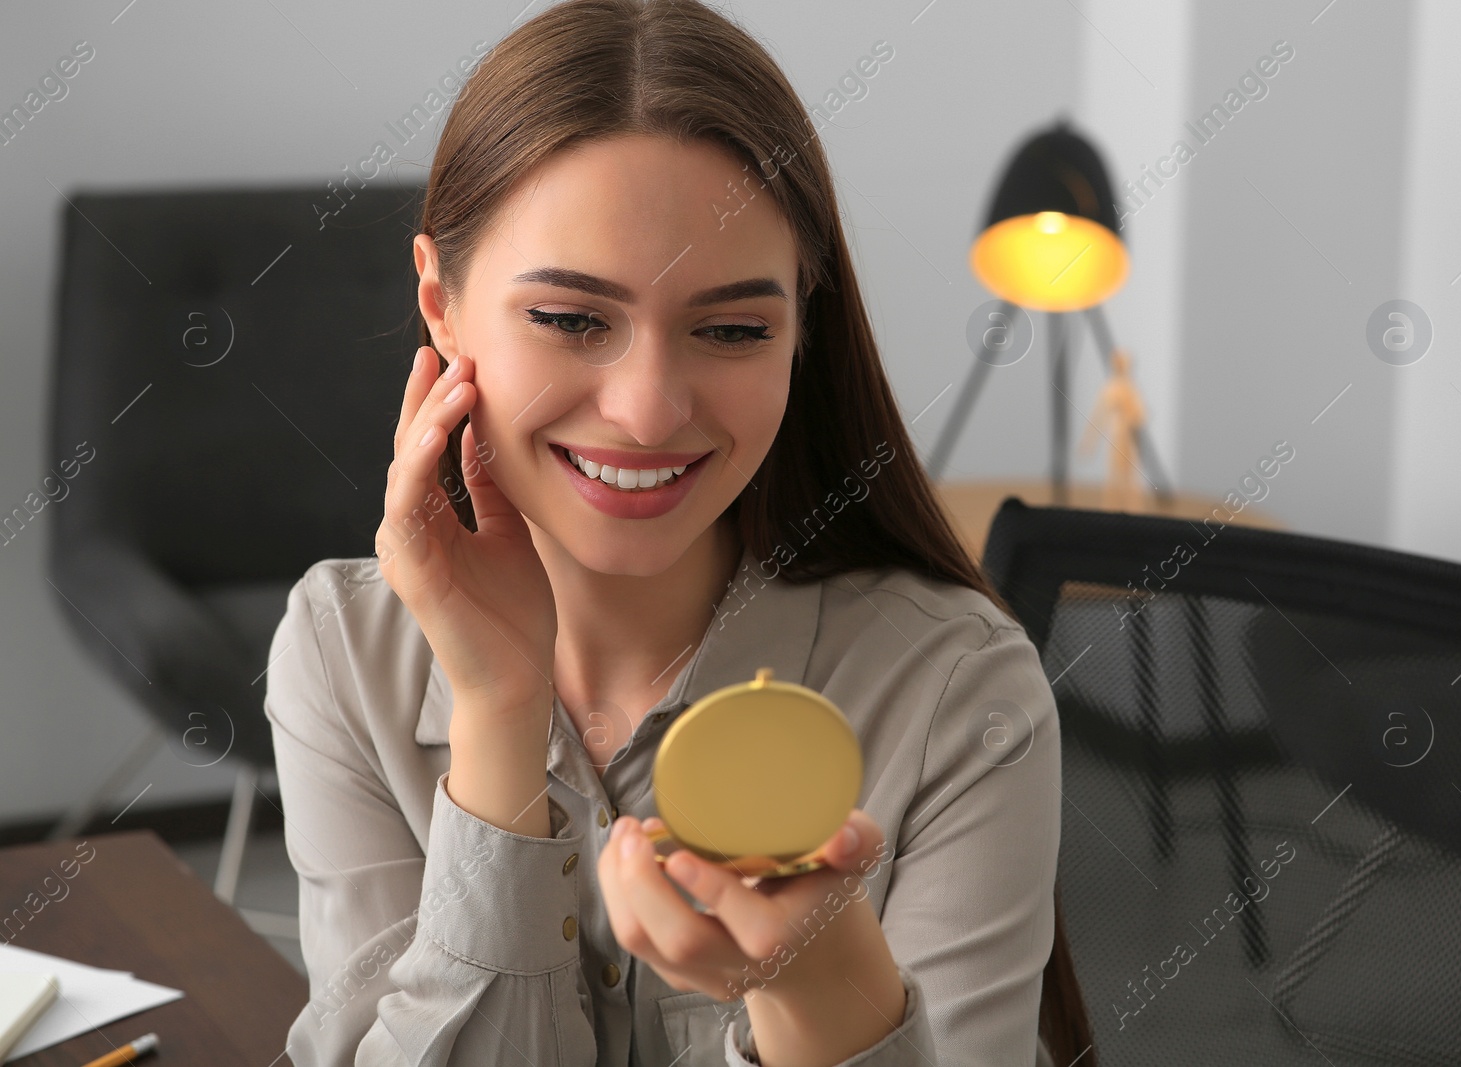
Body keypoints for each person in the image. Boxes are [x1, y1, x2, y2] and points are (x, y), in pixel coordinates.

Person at [264, 1, 1095, 1064]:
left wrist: (820, 983)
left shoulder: (957, 689)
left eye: (734, 329)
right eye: (570, 319)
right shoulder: (342, 651)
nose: (649, 409)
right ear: (440, 302)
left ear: (800, 329)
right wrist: (499, 710)